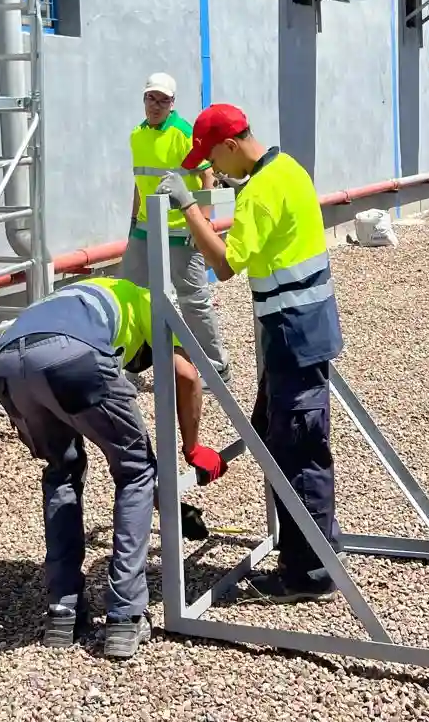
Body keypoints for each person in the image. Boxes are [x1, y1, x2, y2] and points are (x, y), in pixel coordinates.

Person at [0, 276, 227, 659]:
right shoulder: (151, 299)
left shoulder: (83, 295)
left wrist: (171, 506)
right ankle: (125, 615)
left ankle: (62, 610)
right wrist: (192, 446)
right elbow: (185, 374)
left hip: (5, 364)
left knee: (61, 471)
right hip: (72, 358)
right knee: (135, 470)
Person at [159, 104, 343, 603]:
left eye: (214, 158)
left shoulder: (257, 193)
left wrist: (188, 207)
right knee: (277, 435)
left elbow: (224, 265)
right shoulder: (287, 169)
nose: (214, 169)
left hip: (291, 332)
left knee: (295, 448)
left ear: (231, 144)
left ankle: (310, 572)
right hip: (308, 324)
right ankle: (318, 546)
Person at [117, 72, 230, 376]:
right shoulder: (137, 135)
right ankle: (130, 362)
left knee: (193, 301)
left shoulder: (183, 132)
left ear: (172, 103)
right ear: (144, 99)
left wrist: (202, 223)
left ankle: (217, 368)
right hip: (145, 228)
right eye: (151, 98)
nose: (156, 105)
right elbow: (141, 183)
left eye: (163, 100)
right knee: (127, 292)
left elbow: (208, 176)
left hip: (182, 230)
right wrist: (132, 224)